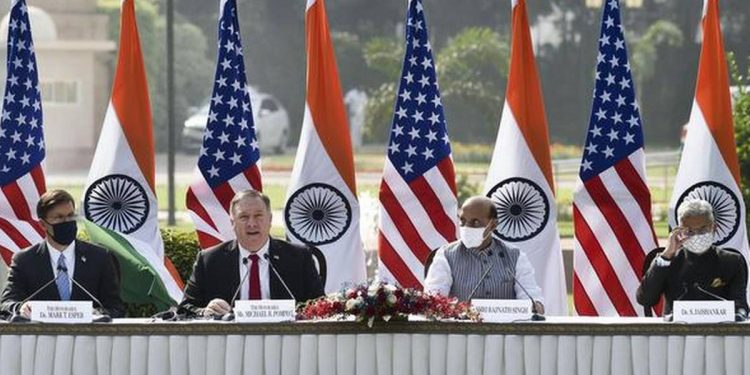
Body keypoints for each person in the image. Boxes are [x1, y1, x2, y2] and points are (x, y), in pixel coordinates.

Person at [179, 190, 325, 317]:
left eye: (258, 216)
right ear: (232, 222)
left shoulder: (298, 257)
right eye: (243, 217)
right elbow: (185, 309)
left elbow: (319, 305)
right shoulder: (209, 260)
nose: (252, 224)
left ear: (270, 220)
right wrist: (205, 312)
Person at [0, 189, 124, 319]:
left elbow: (116, 308)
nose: (67, 222)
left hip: (88, 337)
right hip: (42, 337)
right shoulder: (25, 261)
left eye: (70, 216)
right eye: (59, 218)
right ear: (43, 224)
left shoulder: (100, 257)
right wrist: (21, 308)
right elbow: (6, 305)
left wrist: (97, 314)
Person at [424, 196, 544, 314]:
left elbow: (532, 297)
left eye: (475, 222)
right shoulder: (446, 256)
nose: (467, 227)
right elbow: (433, 301)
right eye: (463, 221)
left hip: (507, 331)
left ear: (493, 225)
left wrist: (535, 306)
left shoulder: (515, 256)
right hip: (461, 331)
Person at [637, 199, 748, 318]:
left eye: (702, 229)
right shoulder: (668, 261)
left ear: (714, 227)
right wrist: (667, 254)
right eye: (689, 231)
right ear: (678, 231)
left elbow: (740, 307)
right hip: (675, 333)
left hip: (720, 332)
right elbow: (646, 300)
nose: (696, 235)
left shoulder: (732, 261)